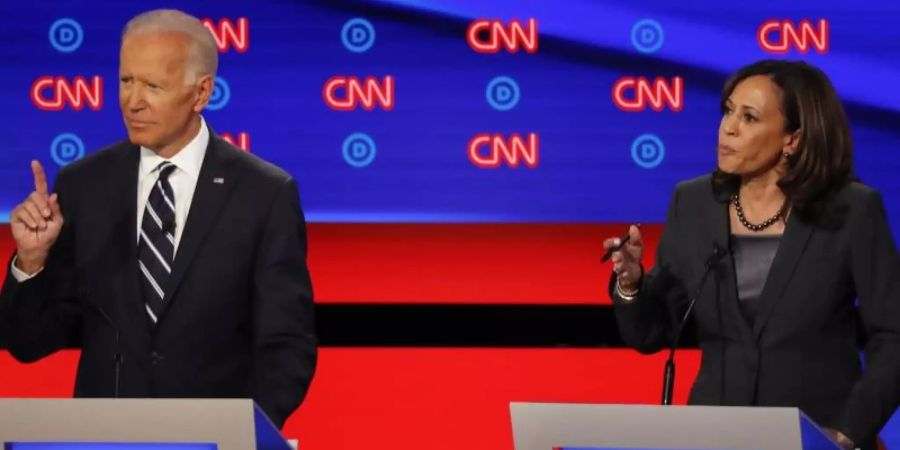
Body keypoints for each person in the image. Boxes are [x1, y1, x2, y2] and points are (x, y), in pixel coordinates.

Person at [0, 9, 316, 427]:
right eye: (127, 81)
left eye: (153, 85)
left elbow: (286, 345)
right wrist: (32, 262)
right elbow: (28, 341)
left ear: (201, 93)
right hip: (104, 436)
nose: (133, 101)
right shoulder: (84, 184)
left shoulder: (264, 194)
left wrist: (242, 430)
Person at [603, 60, 899, 450]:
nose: (728, 127)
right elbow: (651, 333)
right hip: (714, 437)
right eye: (728, 111)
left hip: (817, 437)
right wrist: (631, 283)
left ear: (792, 138)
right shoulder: (693, 203)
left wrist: (848, 432)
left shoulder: (851, 210)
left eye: (750, 117)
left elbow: (894, 335)